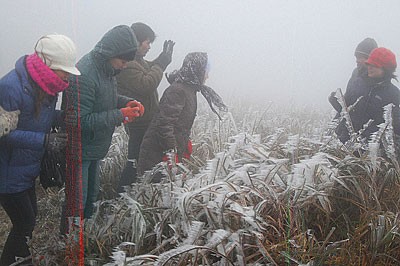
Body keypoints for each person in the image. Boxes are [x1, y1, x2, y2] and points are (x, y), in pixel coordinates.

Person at [0, 34, 80, 266]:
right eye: (63, 70)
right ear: (48, 65)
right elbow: (3, 134)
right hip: (7, 173)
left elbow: (34, 119)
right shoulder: (10, 87)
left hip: (26, 170)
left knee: (29, 221)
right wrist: (45, 141)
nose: (67, 76)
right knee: (25, 223)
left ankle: (22, 260)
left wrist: (62, 117)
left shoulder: (48, 86)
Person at [62, 25, 144, 228]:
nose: (124, 66)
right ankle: (69, 247)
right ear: (111, 53)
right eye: (123, 61)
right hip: (79, 150)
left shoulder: (107, 70)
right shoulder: (86, 74)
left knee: (91, 198)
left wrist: (125, 102)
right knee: (76, 204)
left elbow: (104, 98)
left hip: (94, 148)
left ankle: (84, 240)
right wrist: (120, 115)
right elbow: (78, 120)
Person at [137, 52, 227, 179]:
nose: (207, 76)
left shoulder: (189, 89)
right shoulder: (178, 91)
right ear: (197, 70)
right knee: (157, 192)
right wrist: (171, 152)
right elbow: (164, 124)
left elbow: (178, 124)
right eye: (206, 71)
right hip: (157, 153)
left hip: (167, 150)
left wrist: (183, 143)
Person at [116, 22, 175, 191]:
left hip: (144, 121)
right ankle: (122, 196)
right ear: (137, 41)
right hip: (138, 123)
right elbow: (146, 83)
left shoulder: (137, 61)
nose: (149, 47)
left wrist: (162, 58)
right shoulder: (127, 64)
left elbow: (148, 67)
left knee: (142, 160)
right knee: (135, 162)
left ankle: (136, 193)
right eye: (147, 42)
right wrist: (161, 64)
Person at [331, 47, 400, 144]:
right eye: (369, 64)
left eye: (374, 65)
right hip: (344, 144)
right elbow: (348, 111)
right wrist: (338, 104)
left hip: (370, 151)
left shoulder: (393, 93)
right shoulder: (358, 82)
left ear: (386, 69)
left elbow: (393, 126)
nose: (369, 67)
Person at [328, 38, 378, 118]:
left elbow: (366, 115)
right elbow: (347, 108)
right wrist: (337, 103)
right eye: (357, 57)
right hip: (346, 128)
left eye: (362, 57)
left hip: (361, 130)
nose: (357, 61)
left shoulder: (379, 81)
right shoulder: (355, 74)